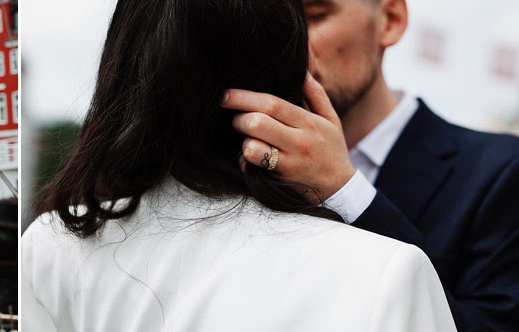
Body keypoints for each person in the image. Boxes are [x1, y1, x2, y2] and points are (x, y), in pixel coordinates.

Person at [21, 0, 455, 331]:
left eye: (317, 15)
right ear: (286, 62)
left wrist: (346, 190)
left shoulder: (50, 245)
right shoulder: (389, 273)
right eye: (299, 22)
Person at [220, 0, 519, 329]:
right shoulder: (239, 163)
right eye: (277, 22)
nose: (289, 45)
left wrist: (345, 191)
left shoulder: (498, 170)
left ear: (390, 20)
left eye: (315, 16)